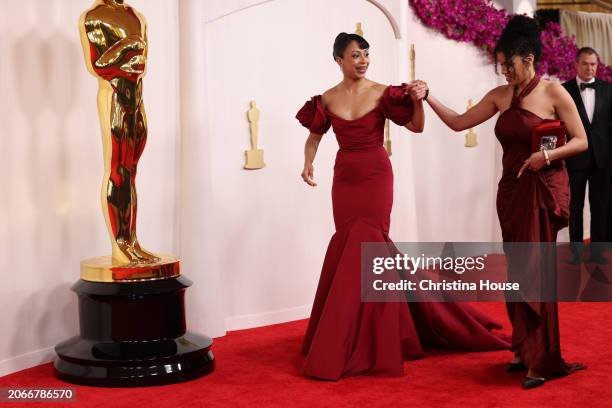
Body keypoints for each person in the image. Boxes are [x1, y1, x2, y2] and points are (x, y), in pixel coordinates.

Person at [295, 32, 509, 381]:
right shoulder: (326, 100)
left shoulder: (384, 93)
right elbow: (315, 136)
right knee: (350, 246)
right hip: (345, 177)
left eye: (366, 53)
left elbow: (417, 126)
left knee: (371, 245)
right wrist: (308, 162)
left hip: (376, 174)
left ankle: (374, 335)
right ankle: (352, 330)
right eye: (354, 55)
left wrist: (418, 100)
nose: (363, 60)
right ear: (338, 60)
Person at [419, 15, 588, 388]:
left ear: (527, 58)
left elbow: (581, 141)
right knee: (516, 273)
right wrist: (429, 96)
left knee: (535, 273)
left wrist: (544, 157)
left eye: (508, 64)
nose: (504, 71)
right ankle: (521, 348)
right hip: (510, 194)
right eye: (500, 65)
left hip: (540, 192)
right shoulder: (499, 96)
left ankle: (539, 361)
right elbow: (460, 122)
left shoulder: (554, 93)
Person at [80, 0, 159, 264]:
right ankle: (120, 245)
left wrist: (132, 53)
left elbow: (142, 66)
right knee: (117, 170)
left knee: (131, 171)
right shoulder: (94, 17)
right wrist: (129, 47)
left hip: (136, 98)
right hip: (113, 95)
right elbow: (98, 66)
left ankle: (132, 242)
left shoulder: (137, 16)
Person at [562, 47, 612, 264]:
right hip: (575, 157)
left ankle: (598, 251)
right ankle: (576, 251)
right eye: (585, 63)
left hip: (603, 158)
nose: (590, 68)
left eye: (593, 64)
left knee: (600, 205)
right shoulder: (564, 91)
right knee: (576, 207)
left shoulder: (608, 89)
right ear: (576, 65)